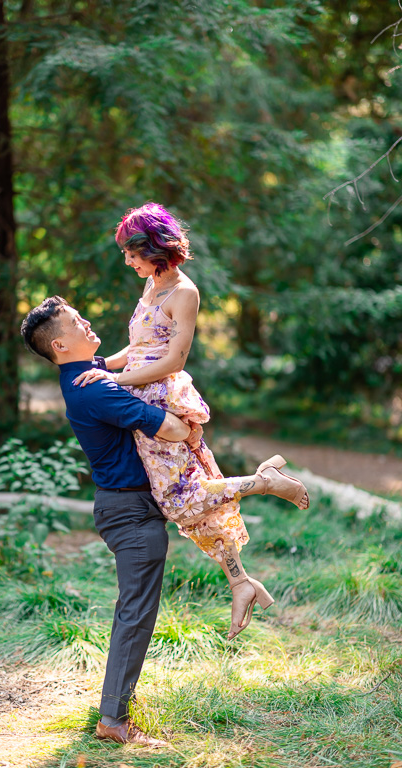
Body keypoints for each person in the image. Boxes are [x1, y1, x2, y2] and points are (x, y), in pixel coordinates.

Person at [20, 294, 309, 746]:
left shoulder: (88, 373)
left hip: (138, 502)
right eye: (76, 321)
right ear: (59, 345)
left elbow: (134, 353)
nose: (87, 322)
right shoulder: (94, 388)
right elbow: (171, 429)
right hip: (130, 513)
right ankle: (113, 721)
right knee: (135, 614)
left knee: (198, 513)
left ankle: (241, 580)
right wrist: (185, 424)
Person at [73, 202, 310, 640]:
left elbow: (172, 359)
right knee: (190, 494)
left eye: (131, 252)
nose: (127, 260)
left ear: (153, 247)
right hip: (138, 393)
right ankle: (239, 580)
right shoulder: (150, 286)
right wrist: (104, 365)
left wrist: (116, 378)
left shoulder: (184, 292)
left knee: (181, 498)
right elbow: (141, 344)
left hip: (162, 399)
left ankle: (265, 481)